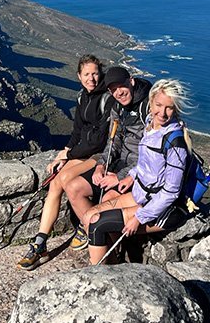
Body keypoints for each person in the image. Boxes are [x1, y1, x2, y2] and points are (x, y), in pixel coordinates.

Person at [17, 55, 114, 270]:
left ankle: (85, 226)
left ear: (101, 74)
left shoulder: (107, 98)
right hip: (84, 151)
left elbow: (99, 140)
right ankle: (40, 243)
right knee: (54, 182)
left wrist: (69, 157)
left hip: (100, 154)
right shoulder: (83, 97)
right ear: (79, 76)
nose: (91, 78)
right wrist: (66, 151)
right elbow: (77, 131)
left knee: (65, 178)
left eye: (95, 73)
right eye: (87, 74)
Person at [82, 79, 194, 265]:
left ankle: (99, 274)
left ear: (176, 109)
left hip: (161, 208)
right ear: (151, 102)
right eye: (158, 105)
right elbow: (146, 162)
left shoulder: (175, 143)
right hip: (142, 194)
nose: (162, 113)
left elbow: (171, 191)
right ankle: (111, 267)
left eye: (169, 108)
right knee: (88, 216)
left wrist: (139, 218)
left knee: (97, 224)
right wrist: (132, 176)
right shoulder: (150, 124)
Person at [62, 66, 152, 240]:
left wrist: (119, 177)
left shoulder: (148, 108)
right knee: (73, 188)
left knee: (107, 202)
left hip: (138, 171)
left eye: (121, 86)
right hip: (119, 163)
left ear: (131, 81)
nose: (119, 92)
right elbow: (113, 141)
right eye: (113, 90)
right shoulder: (117, 107)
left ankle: (107, 243)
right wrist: (101, 165)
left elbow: (151, 156)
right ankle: (94, 235)